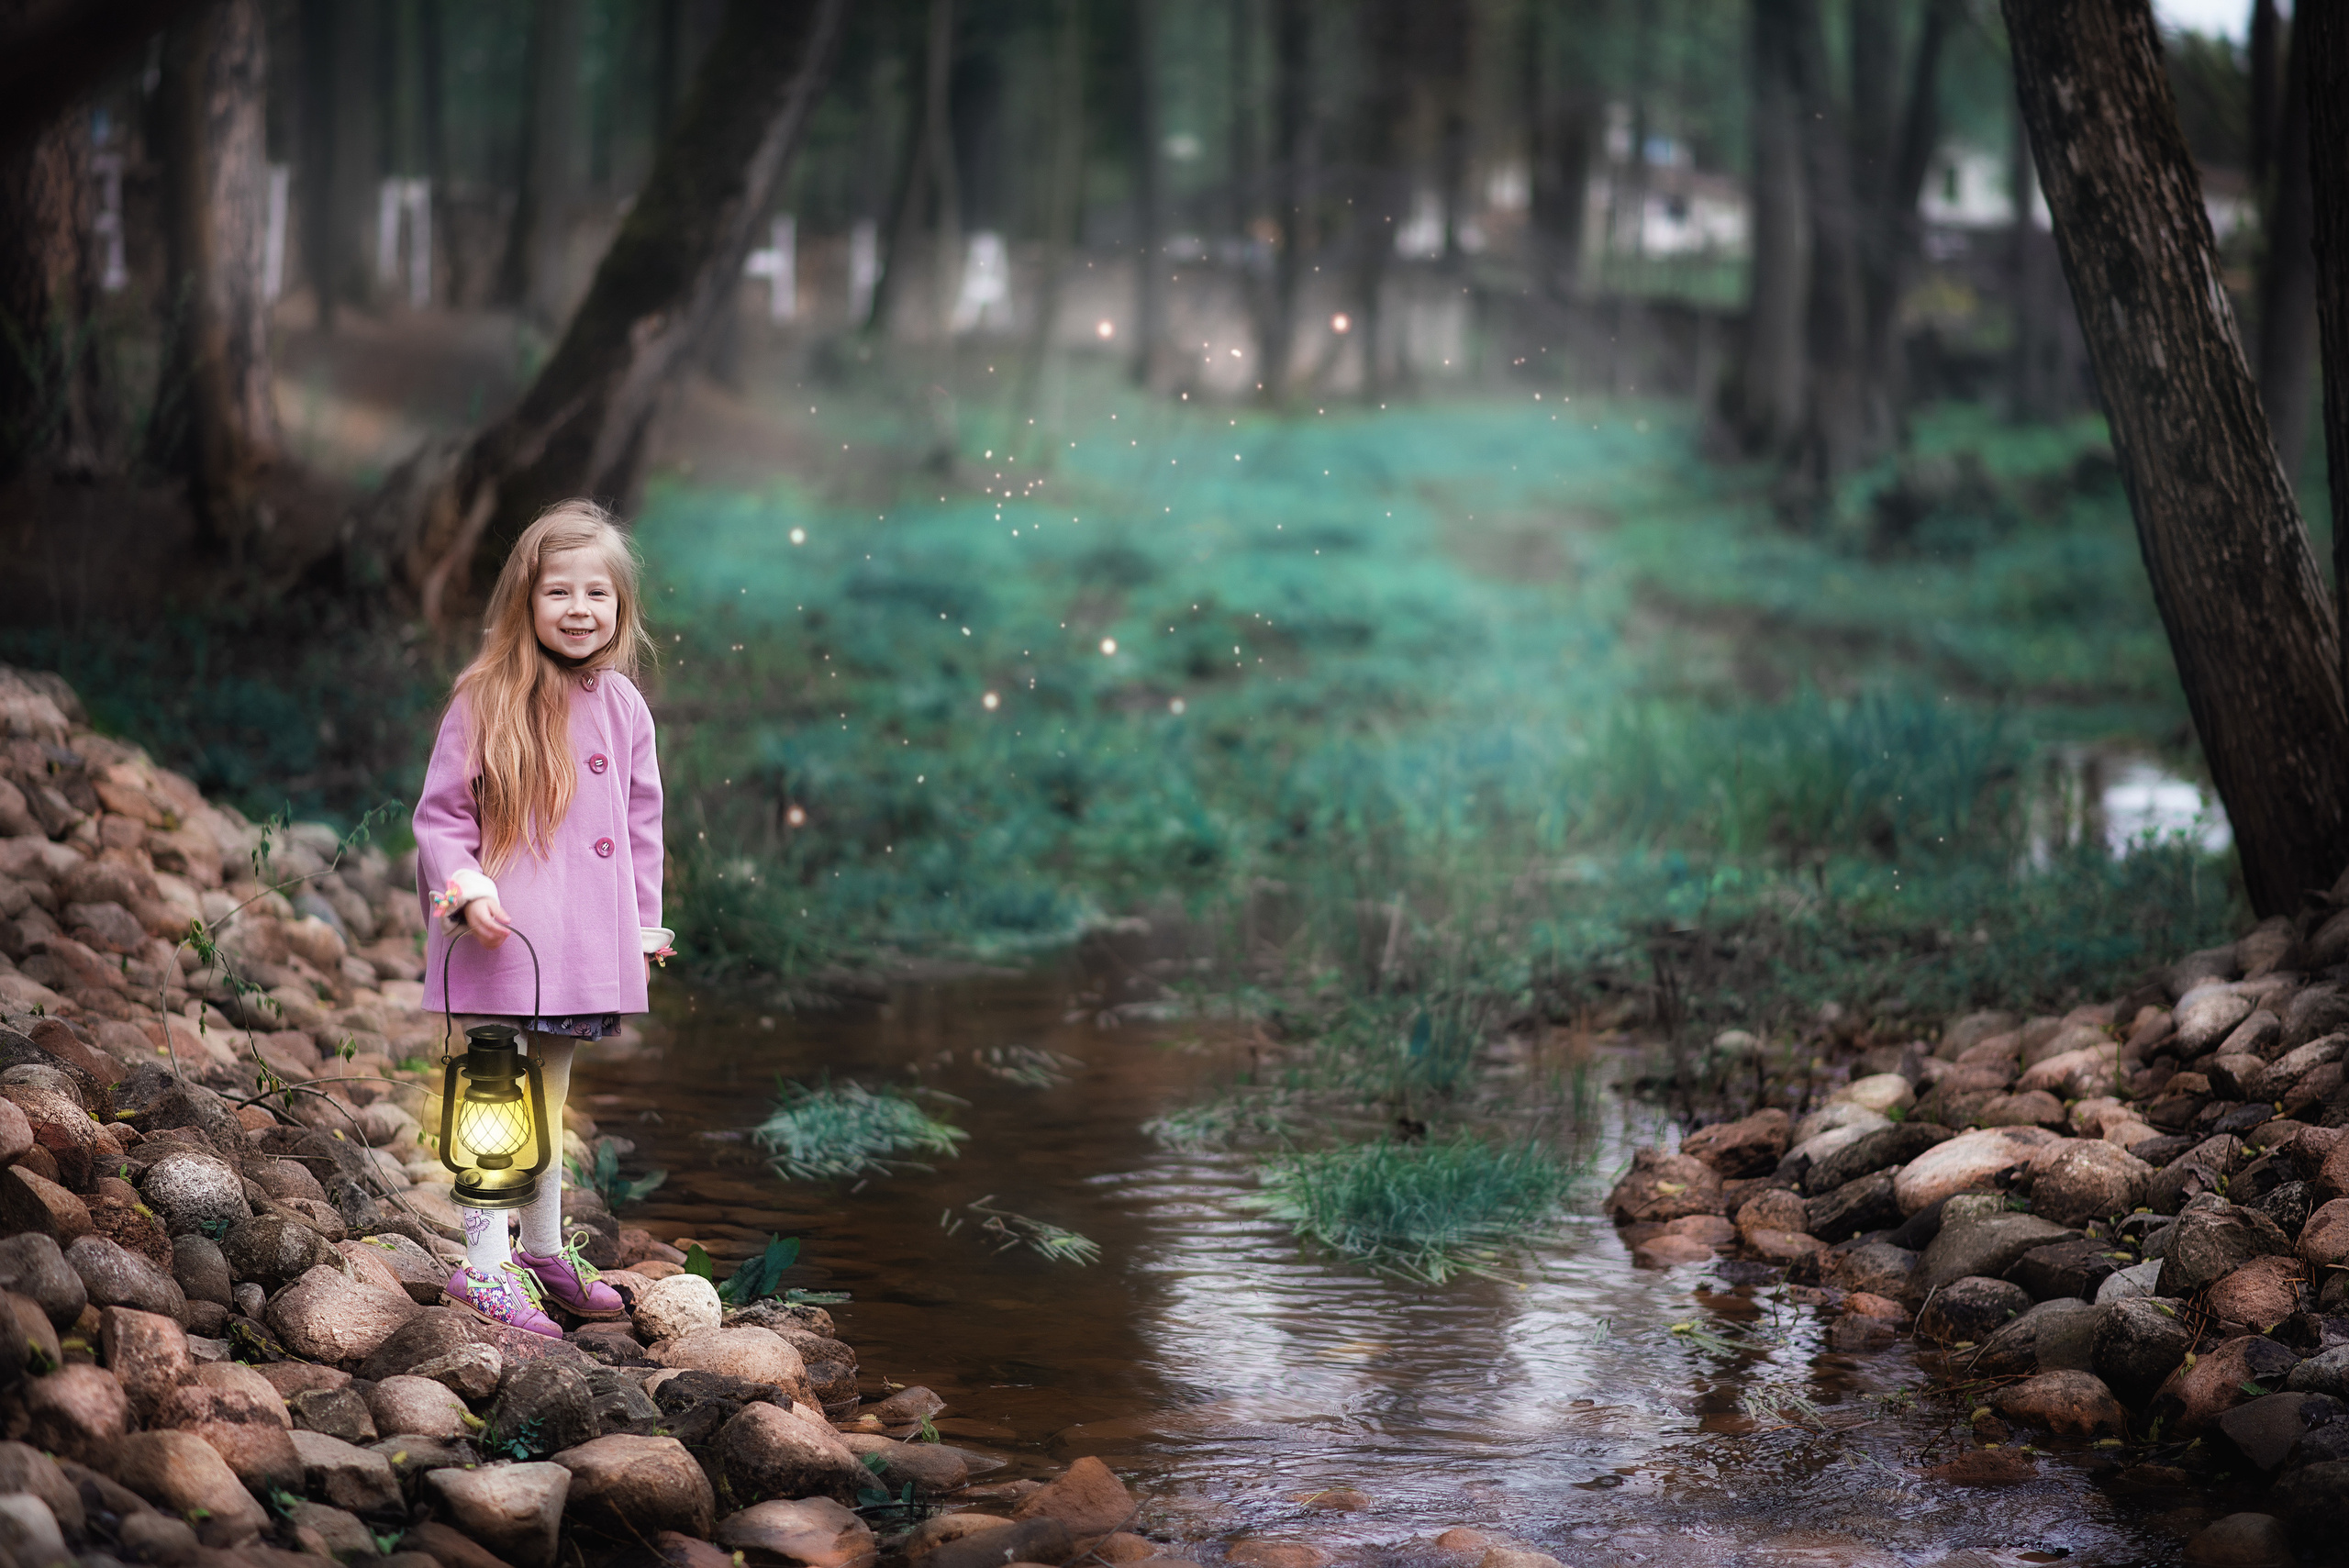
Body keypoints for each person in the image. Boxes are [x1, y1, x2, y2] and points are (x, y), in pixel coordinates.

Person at [412, 499, 672, 1338]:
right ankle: (483, 1265)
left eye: (598, 593)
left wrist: (643, 924)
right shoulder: (485, 698)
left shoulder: (625, 707)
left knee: (550, 1097)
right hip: (503, 935)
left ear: (621, 607)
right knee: (495, 1095)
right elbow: (442, 816)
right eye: (559, 591)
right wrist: (466, 888)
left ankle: (543, 1249)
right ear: (525, 599)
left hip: (583, 942)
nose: (579, 608)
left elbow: (640, 825)